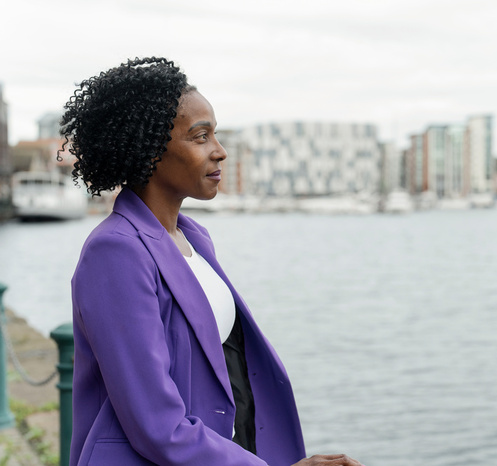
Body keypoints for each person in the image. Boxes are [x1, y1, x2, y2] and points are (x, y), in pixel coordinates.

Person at [60, 57, 363, 466]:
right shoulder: (115, 251)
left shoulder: (194, 238)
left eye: (215, 135)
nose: (219, 152)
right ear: (149, 149)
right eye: (200, 137)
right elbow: (156, 425)